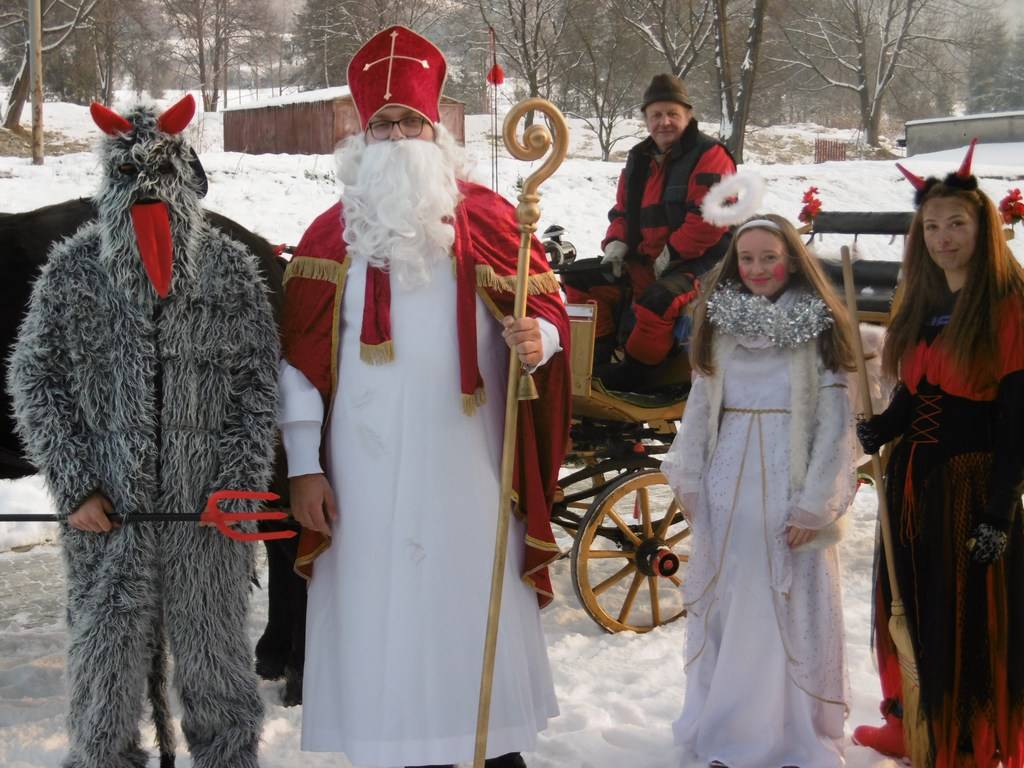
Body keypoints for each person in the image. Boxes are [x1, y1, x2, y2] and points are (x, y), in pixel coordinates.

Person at [277, 26, 571, 768]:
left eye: (412, 121)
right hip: (359, 470)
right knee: (379, 607)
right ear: (361, 134)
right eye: (383, 123)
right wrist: (304, 465)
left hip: (467, 457)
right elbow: (300, 363)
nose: (399, 135)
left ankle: (490, 746)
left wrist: (540, 338)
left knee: (466, 597)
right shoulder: (327, 233)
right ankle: (390, 746)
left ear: (436, 128)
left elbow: (550, 313)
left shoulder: (494, 219)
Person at [7, 95, 279, 768]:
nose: (148, 193)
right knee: (103, 671)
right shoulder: (73, 272)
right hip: (109, 518)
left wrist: (237, 490)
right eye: (130, 175)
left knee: (217, 666)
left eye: (162, 173)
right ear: (110, 180)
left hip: (207, 519)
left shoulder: (230, 273)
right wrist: (75, 488)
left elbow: (255, 390)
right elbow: (34, 381)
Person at [661, 213, 858, 767]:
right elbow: (700, 409)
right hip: (730, 482)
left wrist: (815, 504)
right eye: (746, 258)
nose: (757, 269)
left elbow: (834, 422)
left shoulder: (818, 324)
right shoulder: (718, 323)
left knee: (786, 604)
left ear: (791, 258)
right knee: (734, 604)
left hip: (789, 477)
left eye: (769, 257)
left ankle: (787, 734)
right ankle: (729, 726)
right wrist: (693, 479)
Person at [851, 142, 1024, 767]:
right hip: (912, 482)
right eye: (931, 226)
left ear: (985, 227)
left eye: (957, 223)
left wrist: (1001, 511)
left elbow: (1015, 422)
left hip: (970, 488)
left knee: (963, 621)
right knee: (911, 604)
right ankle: (911, 723)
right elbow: (919, 393)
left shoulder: (1008, 306)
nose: (944, 237)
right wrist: (882, 428)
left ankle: (967, 739)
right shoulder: (924, 306)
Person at [565, 73, 736, 391]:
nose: (665, 122)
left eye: (673, 113)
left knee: (658, 300)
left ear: (688, 115)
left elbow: (710, 218)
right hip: (647, 260)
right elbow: (621, 211)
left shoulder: (710, 155)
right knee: (579, 279)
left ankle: (637, 375)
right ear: (646, 119)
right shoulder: (638, 159)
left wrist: (672, 253)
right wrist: (615, 243)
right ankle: (596, 363)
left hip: (702, 263)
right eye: (656, 115)